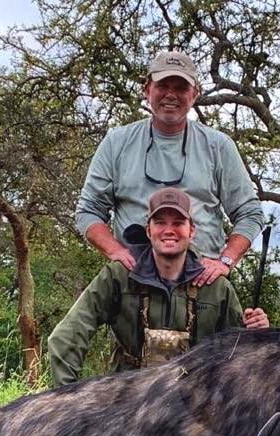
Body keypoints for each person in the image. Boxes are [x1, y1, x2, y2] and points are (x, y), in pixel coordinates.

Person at [75, 50, 264, 289]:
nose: (171, 95)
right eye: (163, 85)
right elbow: (88, 210)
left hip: (201, 284)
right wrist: (116, 252)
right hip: (133, 283)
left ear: (194, 94)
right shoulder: (117, 142)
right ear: (147, 90)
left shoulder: (219, 146)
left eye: (181, 88)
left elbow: (250, 213)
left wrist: (225, 262)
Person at [49, 188, 269, 385]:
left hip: (194, 405)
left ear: (191, 230)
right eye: (160, 222)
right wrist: (67, 401)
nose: (169, 230)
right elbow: (65, 338)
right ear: (148, 230)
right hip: (126, 403)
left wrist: (258, 335)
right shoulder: (119, 275)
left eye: (178, 223)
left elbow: (240, 355)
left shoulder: (215, 285)